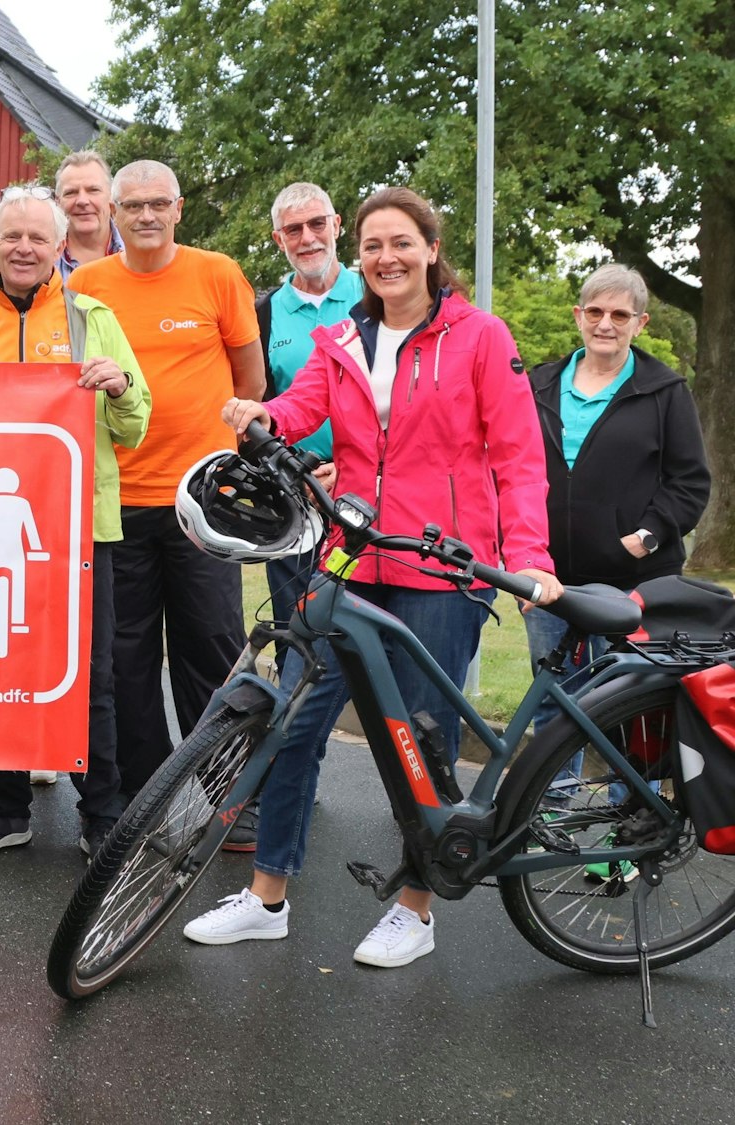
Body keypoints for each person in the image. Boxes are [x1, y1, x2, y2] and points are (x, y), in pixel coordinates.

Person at [186, 186, 561, 968]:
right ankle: (265, 896)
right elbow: (301, 405)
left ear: (430, 247)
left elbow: (519, 457)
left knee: (421, 741)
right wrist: (261, 419)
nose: (385, 257)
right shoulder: (342, 340)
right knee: (294, 719)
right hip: (350, 554)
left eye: (401, 242)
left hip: (441, 563)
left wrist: (529, 558)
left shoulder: (480, 337)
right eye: (372, 246)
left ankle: (416, 908)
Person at [0, 187, 150, 856]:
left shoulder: (93, 318)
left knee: (93, 673)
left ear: (61, 247)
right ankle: (5, 809)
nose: (24, 248)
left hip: (83, 528)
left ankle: (102, 810)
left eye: (37, 237)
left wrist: (118, 386)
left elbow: (136, 424)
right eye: (12, 237)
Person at [69, 159, 265, 808]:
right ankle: (143, 805)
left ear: (180, 209)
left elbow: (251, 380)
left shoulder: (217, 274)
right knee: (124, 664)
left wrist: (216, 455)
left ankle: (229, 798)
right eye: (133, 206)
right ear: (114, 217)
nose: (147, 215)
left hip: (201, 504)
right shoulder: (89, 284)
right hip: (115, 501)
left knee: (211, 648)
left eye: (159, 203)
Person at [526, 263, 709, 836]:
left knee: (631, 706)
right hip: (552, 577)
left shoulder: (664, 391)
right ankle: (551, 811)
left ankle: (633, 822)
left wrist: (645, 537)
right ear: (578, 316)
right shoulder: (538, 384)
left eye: (620, 315)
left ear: (640, 322)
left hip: (635, 581)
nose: (606, 324)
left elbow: (690, 482)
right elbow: (510, 468)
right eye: (596, 312)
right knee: (555, 696)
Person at [222, 181, 361, 850]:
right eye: (292, 230)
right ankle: (296, 777)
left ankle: (423, 793)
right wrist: (295, 474)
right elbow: (260, 404)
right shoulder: (264, 311)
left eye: (316, 224)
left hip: (377, 501)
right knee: (299, 643)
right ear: (278, 240)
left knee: (387, 646)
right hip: (298, 504)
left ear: (337, 223)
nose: (307, 238)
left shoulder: (379, 294)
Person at [54, 151, 124, 277]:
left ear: (111, 197)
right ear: (58, 202)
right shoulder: (44, 262)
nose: (82, 201)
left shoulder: (138, 253)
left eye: (93, 190)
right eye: (71, 192)